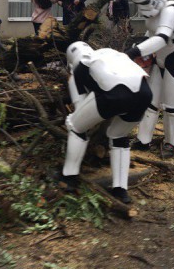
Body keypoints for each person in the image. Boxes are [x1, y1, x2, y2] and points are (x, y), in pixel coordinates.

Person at [57, 42, 152, 204]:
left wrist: (76, 118)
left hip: (115, 95)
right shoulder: (111, 53)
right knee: (118, 136)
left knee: (75, 125)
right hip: (144, 94)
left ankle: (69, 178)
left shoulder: (80, 67)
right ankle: (121, 190)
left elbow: (80, 108)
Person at [124, 0, 174, 159]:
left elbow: (162, 37)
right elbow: (151, 34)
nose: (143, 7)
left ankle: (171, 143)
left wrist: (134, 52)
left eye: (145, 2)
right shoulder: (157, 12)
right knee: (151, 102)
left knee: (171, 107)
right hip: (159, 58)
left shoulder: (173, 9)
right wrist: (140, 48)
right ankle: (143, 139)